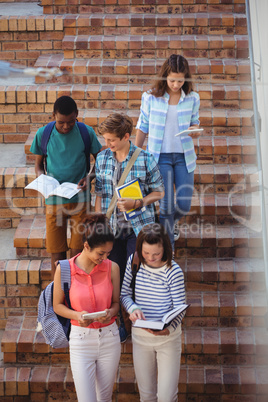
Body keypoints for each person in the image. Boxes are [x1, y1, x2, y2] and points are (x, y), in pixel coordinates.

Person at [95, 112, 165, 342]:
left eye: (112, 140)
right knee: (112, 277)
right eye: (105, 139)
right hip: (111, 230)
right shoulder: (103, 158)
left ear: (126, 136)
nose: (108, 144)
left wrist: (139, 202)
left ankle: (137, 323)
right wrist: (98, 223)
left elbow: (159, 192)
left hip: (138, 229)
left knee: (134, 277)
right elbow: (99, 193)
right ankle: (121, 324)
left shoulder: (145, 159)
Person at [30, 95, 102, 276]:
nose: (66, 126)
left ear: (76, 114)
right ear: (53, 115)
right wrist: (42, 179)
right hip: (54, 200)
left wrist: (90, 176)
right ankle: (59, 291)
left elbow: (101, 158)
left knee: (78, 248)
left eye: (71, 121)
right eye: (61, 122)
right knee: (56, 249)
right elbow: (39, 166)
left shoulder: (85, 132)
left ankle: (76, 288)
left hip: (80, 198)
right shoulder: (43, 134)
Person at [135, 54, 201, 249]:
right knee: (166, 205)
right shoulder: (150, 97)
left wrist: (195, 130)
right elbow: (143, 126)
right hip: (159, 157)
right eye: (172, 80)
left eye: (180, 80)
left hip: (184, 157)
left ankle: (168, 224)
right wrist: (136, 154)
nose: (175, 84)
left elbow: (195, 123)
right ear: (165, 76)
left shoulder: (192, 98)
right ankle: (168, 252)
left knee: (183, 204)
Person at [53, 213, 121, 402]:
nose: (105, 257)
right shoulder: (64, 269)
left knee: (104, 399)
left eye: (108, 253)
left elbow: (116, 303)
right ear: (86, 246)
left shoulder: (113, 268)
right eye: (101, 253)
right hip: (80, 341)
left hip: (110, 338)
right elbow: (57, 306)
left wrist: (110, 312)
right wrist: (77, 315)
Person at [120, 223, 186, 402]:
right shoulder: (133, 263)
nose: (150, 258)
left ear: (165, 248)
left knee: (167, 396)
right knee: (147, 396)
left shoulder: (174, 271)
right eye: (146, 253)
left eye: (156, 254)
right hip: (141, 338)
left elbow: (180, 308)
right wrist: (133, 309)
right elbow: (124, 294)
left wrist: (169, 328)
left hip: (168, 340)